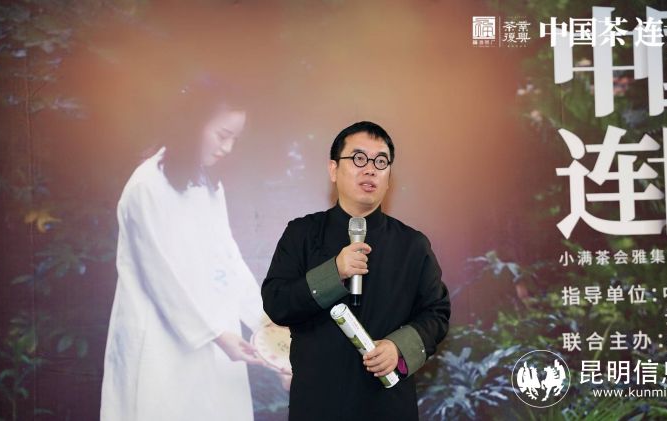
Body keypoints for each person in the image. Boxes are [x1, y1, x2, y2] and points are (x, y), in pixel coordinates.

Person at [101, 82, 270, 421]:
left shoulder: (207, 184)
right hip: (161, 342)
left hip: (217, 339)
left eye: (235, 139)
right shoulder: (147, 186)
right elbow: (160, 278)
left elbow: (229, 261)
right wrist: (214, 334)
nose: (228, 147)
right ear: (195, 122)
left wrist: (267, 325)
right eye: (223, 135)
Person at [262, 121, 451, 420]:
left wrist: (398, 347)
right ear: (333, 169)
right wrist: (333, 272)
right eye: (359, 159)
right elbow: (277, 303)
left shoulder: (412, 245)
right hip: (317, 405)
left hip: (387, 406)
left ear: (388, 178)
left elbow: (436, 313)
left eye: (381, 162)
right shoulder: (301, 233)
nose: (371, 169)